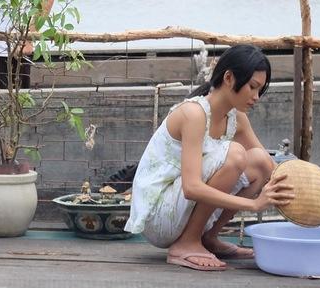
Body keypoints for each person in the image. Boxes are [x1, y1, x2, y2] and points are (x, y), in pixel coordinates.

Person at [124, 45, 292, 271]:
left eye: (259, 90)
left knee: (260, 161)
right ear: (229, 77)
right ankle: (186, 243)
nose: (256, 97)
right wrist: (253, 204)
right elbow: (191, 188)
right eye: (252, 87)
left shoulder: (236, 118)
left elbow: (273, 169)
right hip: (158, 216)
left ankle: (207, 238)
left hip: (180, 210)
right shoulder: (193, 113)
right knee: (235, 154)